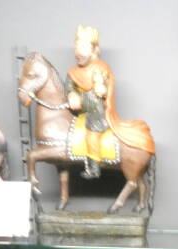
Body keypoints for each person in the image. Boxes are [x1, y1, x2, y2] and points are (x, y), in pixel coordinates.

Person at [66, 26, 155, 180]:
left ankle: (94, 168)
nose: (78, 52)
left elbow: (103, 92)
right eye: (77, 47)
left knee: (92, 133)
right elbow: (68, 86)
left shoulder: (101, 68)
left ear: (94, 50)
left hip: (97, 112)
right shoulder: (73, 72)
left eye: (83, 48)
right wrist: (71, 94)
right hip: (78, 112)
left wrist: (101, 88)